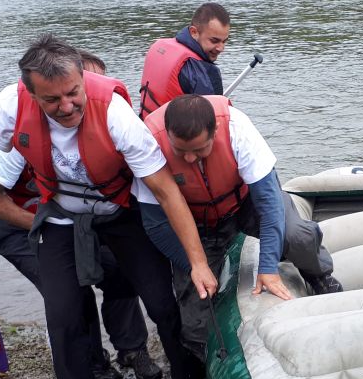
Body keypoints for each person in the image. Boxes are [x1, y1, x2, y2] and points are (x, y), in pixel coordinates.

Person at [0, 34, 221, 379]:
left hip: (121, 212)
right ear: (30, 92)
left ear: (83, 80)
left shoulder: (116, 115)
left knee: (161, 303)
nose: (66, 107)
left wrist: (196, 262)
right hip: (61, 219)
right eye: (51, 100)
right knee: (63, 316)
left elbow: (166, 191)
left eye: (72, 94)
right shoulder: (11, 106)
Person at [0, 50, 162, 379]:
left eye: (84, 92)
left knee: (117, 268)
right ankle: (89, 360)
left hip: (71, 215)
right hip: (12, 218)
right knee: (69, 286)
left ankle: (132, 349)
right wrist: (60, 235)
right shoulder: (17, 129)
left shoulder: (97, 118)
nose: (75, 107)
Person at [139, 93, 342, 357]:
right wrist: (194, 265)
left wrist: (268, 268)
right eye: (181, 151)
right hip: (194, 222)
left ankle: (319, 275)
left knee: (297, 235)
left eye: (199, 150)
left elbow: (269, 206)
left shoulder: (237, 128)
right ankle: (207, 366)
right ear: (167, 135)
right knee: (194, 307)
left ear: (216, 131)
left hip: (245, 203)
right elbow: (155, 224)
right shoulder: (147, 143)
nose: (190, 159)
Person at [139, 2, 231, 117]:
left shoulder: (159, 45)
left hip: (147, 126)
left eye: (225, 41)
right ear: (194, 32)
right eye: (214, 41)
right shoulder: (200, 70)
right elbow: (213, 122)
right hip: (169, 134)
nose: (221, 48)